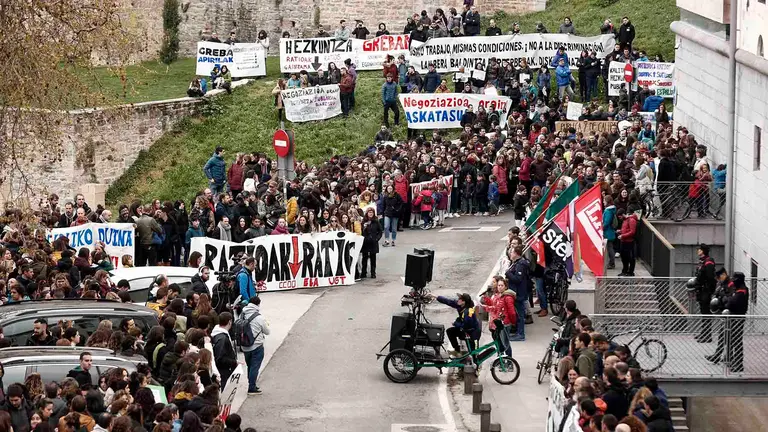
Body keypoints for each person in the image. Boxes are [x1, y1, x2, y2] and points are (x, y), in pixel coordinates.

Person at [241, 296, 270, 395]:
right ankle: (252, 387)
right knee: (255, 367)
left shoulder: (243, 313)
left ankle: (251, 383)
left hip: (244, 345)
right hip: (256, 345)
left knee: (250, 366)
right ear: (258, 304)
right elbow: (267, 332)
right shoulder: (259, 317)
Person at [505, 246, 529, 340]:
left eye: (511, 252)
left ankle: (521, 334)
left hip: (519, 293)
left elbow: (518, 279)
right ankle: (518, 332)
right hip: (516, 292)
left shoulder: (520, 264)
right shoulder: (516, 263)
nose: (510, 254)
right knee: (518, 313)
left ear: (516, 254)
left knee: (520, 314)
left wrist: (508, 274)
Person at [694, 243, 716, 343]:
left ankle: (707, 335)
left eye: (699, 249)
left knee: (706, 313)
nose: (698, 251)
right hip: (701, 290)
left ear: (703, 251)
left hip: (705, 290)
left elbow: (711, 277)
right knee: (703, 312)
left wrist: (709, 290)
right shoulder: (702, 261)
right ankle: (704, 333)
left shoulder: (708, 262)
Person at [211, 312, 238, 386]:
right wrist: (234, 362)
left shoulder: (219, 334)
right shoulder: (222, 339)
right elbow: (220, 358)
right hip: (223, 372)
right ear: (229, 322)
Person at [616, 209, 637, 276]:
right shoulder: (626, 220)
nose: (620, 219)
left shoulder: (631, 220)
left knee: (630, 258)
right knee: (624, 257)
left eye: (620, 217)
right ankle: (625, 271)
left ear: (623, 214)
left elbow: (632, 232)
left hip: (629, 242)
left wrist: (622, 235)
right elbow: (627, 230)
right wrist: (620, 231)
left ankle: (630, 272)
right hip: (624, 241)